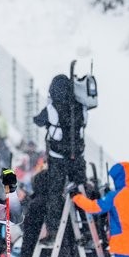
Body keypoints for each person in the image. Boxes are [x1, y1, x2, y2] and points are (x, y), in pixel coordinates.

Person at [33, 74, 87, 241]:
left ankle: (53, 231)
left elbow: (39, 121)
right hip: (77, 157)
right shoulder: (81, 106)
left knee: (55, 193)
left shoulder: (52, 108)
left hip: (58, 158)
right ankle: (86, 226)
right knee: (81, 191)